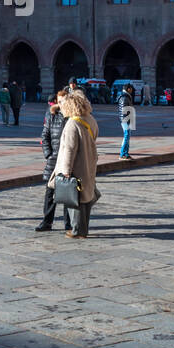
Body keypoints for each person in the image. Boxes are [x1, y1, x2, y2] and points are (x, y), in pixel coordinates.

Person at [51, 90, 99, 239]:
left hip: (76, 167)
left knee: (74, 199)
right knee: (86, 197)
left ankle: (77, 231)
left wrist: (66, 170)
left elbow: (69, 149)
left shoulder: (72, 123)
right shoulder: (90, 119)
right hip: (89, 162)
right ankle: (83, 229)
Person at [37, 90, 70, 231]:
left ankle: (68, 223)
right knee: (50, 191)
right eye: (59, 100)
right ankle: (47, 221)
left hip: (68, 160)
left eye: (64, 100)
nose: (61, 103)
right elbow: (45, 136)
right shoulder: (52, 115)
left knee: (69, 192)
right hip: (54, 159)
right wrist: (48, 154)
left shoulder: (73, 116)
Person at [117, 83, 135, 160]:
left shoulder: (126, 96)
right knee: (126, 136)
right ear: (128, 89)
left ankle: (126, 153)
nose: (132, 90)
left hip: (126, 119)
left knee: (127, 136)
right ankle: (122, 154)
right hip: (125, 119)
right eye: (131, 88)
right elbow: (124, 110)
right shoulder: (125, 97)